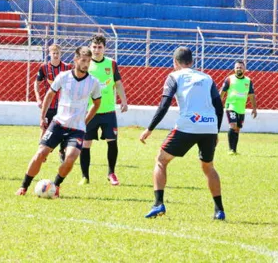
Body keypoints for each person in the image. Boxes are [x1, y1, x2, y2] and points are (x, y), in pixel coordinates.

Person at [139, 47, 226, 220]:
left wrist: (149, 129)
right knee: (208, 166)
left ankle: (158, 204)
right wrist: (215, 131)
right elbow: (218, 106)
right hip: (209, 126)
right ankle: (219, 210)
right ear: (192, 62)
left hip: (188, 124)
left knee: (161, 160)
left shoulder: (174, 76)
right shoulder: (207, 77)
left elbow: (164, 105)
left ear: (175, 63)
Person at [16, 46, 101, 197]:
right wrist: (42, 117)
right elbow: (49, 95)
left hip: (77, 129)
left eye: (88, 61)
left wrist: (85, 121)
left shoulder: (93, 82)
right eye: (83, 60)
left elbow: (96, 104)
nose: (86, 64)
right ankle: (24, 186)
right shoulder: (63, 76)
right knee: (41, 154)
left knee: (71, 157)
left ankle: (55, 185)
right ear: (75, 60)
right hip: (58, 124)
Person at [79, 35, 128, 186]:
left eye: (100, 47)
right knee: (85, 144)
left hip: (108, 111)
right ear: (90, 47)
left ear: (104, 48)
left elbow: (118, 83)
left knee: (112, 142)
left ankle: (111, 173)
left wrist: (124, 100)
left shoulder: (111, 64)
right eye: (94, 47)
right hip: (90, 111)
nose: (96, 50)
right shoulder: (85, 63)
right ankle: (85, 176)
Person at [34, 44, 72, 162]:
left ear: (61, 54)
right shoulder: (44, 68)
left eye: (58, 53)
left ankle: (62, 151)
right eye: (53, 53)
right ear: (49, 54)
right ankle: (42, 152)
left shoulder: (68, 67)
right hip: (49, 104)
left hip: (64, 105)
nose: (55, 55)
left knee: (66, 129)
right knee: (45, 128)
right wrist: (38, 98)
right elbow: (36, 83)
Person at [220, 60, 257, 155]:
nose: (239, 69)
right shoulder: (229, 79)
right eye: (237, 67)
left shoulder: (248, 81)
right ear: (234, 69)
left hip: (241, 108)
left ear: (244, 69)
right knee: (233, 125)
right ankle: (230, 150)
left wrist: (254, 108)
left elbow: (252, 95)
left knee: (237, 129)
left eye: (240, 67)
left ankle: (234, 150)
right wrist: (218, 104)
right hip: (231, 106)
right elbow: (222, 93)